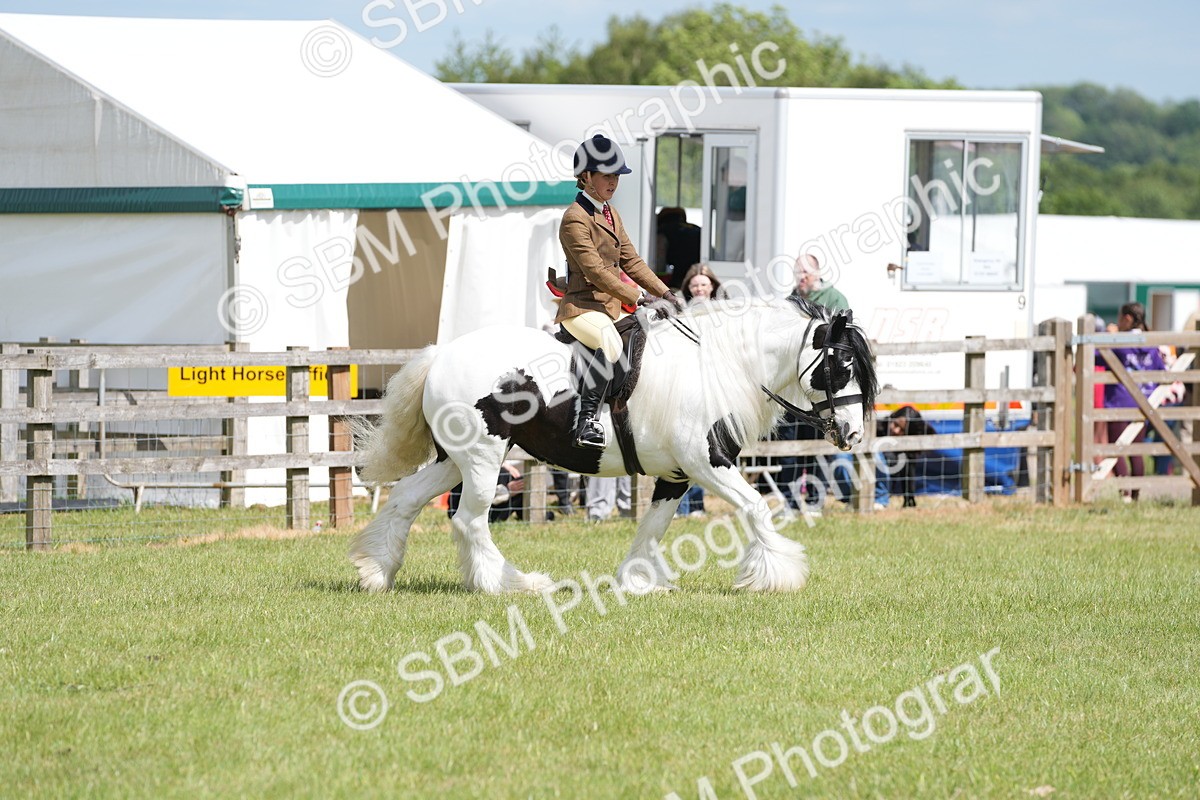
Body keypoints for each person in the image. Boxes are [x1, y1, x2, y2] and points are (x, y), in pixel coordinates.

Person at [557, 134, 684, 450]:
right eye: (607, 175)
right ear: (586, 177)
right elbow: (596, 273)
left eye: (616, 176)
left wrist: (667, 293)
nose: (613, 182)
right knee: (609, 342)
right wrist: (639, 297)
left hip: (610, 308)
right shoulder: (575, 218)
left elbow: (632, 260)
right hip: (581, 309)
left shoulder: (611, 213)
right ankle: (587, 422)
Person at [1098, 302, 1166, 502]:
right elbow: (1161, 371)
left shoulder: (1120, 342)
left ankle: (1125, 492)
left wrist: (1109, 335)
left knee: (1117, 448)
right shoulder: (1150, 344)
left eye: (1120, 319)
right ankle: (1135, 494)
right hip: (1143, 403)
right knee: (1136, 451)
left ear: (1127, 318)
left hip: (1119, 402)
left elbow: (1095, 356)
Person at [655, 207, 702, 288]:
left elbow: (660, 265)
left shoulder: (662, 231)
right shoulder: (696, 228)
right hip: (699, 271)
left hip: (679, 276)